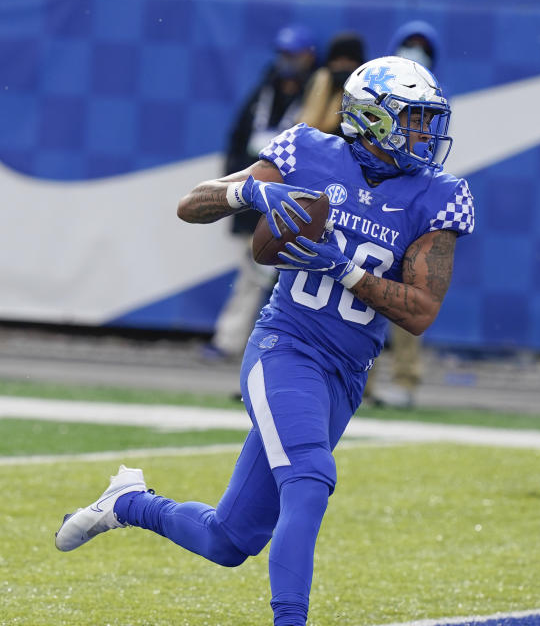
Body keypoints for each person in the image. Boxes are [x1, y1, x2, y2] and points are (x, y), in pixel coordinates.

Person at [54, 56, 474, 626]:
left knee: (229, 541)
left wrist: (345, 269)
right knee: (310, 478)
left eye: (430, 120)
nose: (428, 134)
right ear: (372, 119)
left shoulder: (437, 195)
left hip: (345, 374)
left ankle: (127, 503)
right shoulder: (309, 151)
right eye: (415, 120)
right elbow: (191, 204)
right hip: (286, 346)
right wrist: (251, 195)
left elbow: (421, 312)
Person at [206, 23, 320, 360]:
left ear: (308, 56)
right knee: (253, 272)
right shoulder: (264, 90)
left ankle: (274, 346)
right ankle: (234, 341)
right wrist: (234, 191)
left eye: (293, 54)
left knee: (281, 279)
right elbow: (237, 139)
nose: (287, 60)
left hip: (293, 201)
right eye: (283, 54)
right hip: (256, 194)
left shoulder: (315, 94)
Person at [364, 20, 442, 409]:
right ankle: (361, 379)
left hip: (408, 211)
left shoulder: (434, 103)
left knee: (409, 297)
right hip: (369, 207)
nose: (416, 51)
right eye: (409, 44)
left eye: (421, 46)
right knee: (360, 294)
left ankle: (407, 381)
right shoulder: (371, 99)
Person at [298, 32, 366, 136]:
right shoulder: (317, 82)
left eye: (350, 60)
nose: (342, 65)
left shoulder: (365, 97)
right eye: (337, 60)